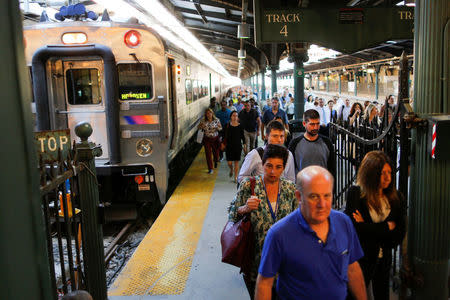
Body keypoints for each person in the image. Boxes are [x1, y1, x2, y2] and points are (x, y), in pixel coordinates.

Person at [256, 166, 367, 300]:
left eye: (327, 196)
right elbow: (264, 283)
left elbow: (352, 269)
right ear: (299, 196)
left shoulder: (344, 223)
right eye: (314, 197)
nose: (322, 204)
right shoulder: (279, 234)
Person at [228, 144, 298, 300]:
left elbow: (298, 222)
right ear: (263, 164)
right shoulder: (249, 185)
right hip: (256, 263)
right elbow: (232, 214)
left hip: (284, 265)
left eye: (278, 167)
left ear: (284, 168)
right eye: (269, 166)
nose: (273, 171)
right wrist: (245, 208)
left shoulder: (290, 189)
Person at [344, 151, 406, 300]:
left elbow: (398, 235)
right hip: (360, 259)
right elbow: (353, 230)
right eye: (382, 173)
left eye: (389, 172)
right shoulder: (355, 194)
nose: (387, 177)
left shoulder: (396, 198)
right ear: (371, 174)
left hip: (384, 260)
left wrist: (365, 226)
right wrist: (385, 228)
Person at [288, 109, 335, 178]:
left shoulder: (327, 142)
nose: (316, 127)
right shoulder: (295, 144)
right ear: (304, 124)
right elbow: (290, 170)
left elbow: (332, 169)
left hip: (323, 186)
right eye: (312, 124)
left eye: (318, 124)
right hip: (301, 187)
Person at [198, 108, 222, 174]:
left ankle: (216, 160)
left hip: (215, 138)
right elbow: (198, 127)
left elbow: (220, 128)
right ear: (206, 114)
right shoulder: (203, 121)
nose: (209, 115)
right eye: (207, 113)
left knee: (216, 152)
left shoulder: (217, 120)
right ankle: (210, 168)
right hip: (207, 139)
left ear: (212, 113)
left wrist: (217, 128)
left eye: (210, 113)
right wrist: (201, 126)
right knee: (208, 154)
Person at [224, 111, 245, 182]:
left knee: (236, 162)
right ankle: (231, 169)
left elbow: (243, 136)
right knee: (229, 162)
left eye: (236, 116)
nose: (235, 117)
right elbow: (223, 135)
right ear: (231, 117)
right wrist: (222, 143)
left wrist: (244, 145)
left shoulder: (240, 126)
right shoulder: (227, 125)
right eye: (233, 115)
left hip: (237, 146)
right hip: (229, 147)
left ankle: (236, 177)